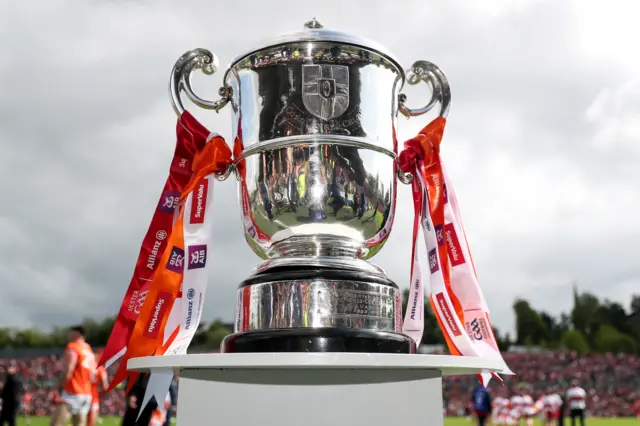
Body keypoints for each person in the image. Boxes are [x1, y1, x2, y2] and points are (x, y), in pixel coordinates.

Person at [50, 325, 96, 426]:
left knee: (56, 423)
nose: (68, 335)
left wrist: (58, 387)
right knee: (79, 424)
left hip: (73, 391)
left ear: (77, 333)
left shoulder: (73, 347)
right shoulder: (89, 349)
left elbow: (68, 370)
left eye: (70, 332)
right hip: (86, 393)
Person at [88, 355, 108, 426]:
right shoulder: (101, 369)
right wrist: (101, 394)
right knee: (91, 422)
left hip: (82, 394)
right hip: (94, 397)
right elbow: (105, 386)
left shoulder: (86, 367)